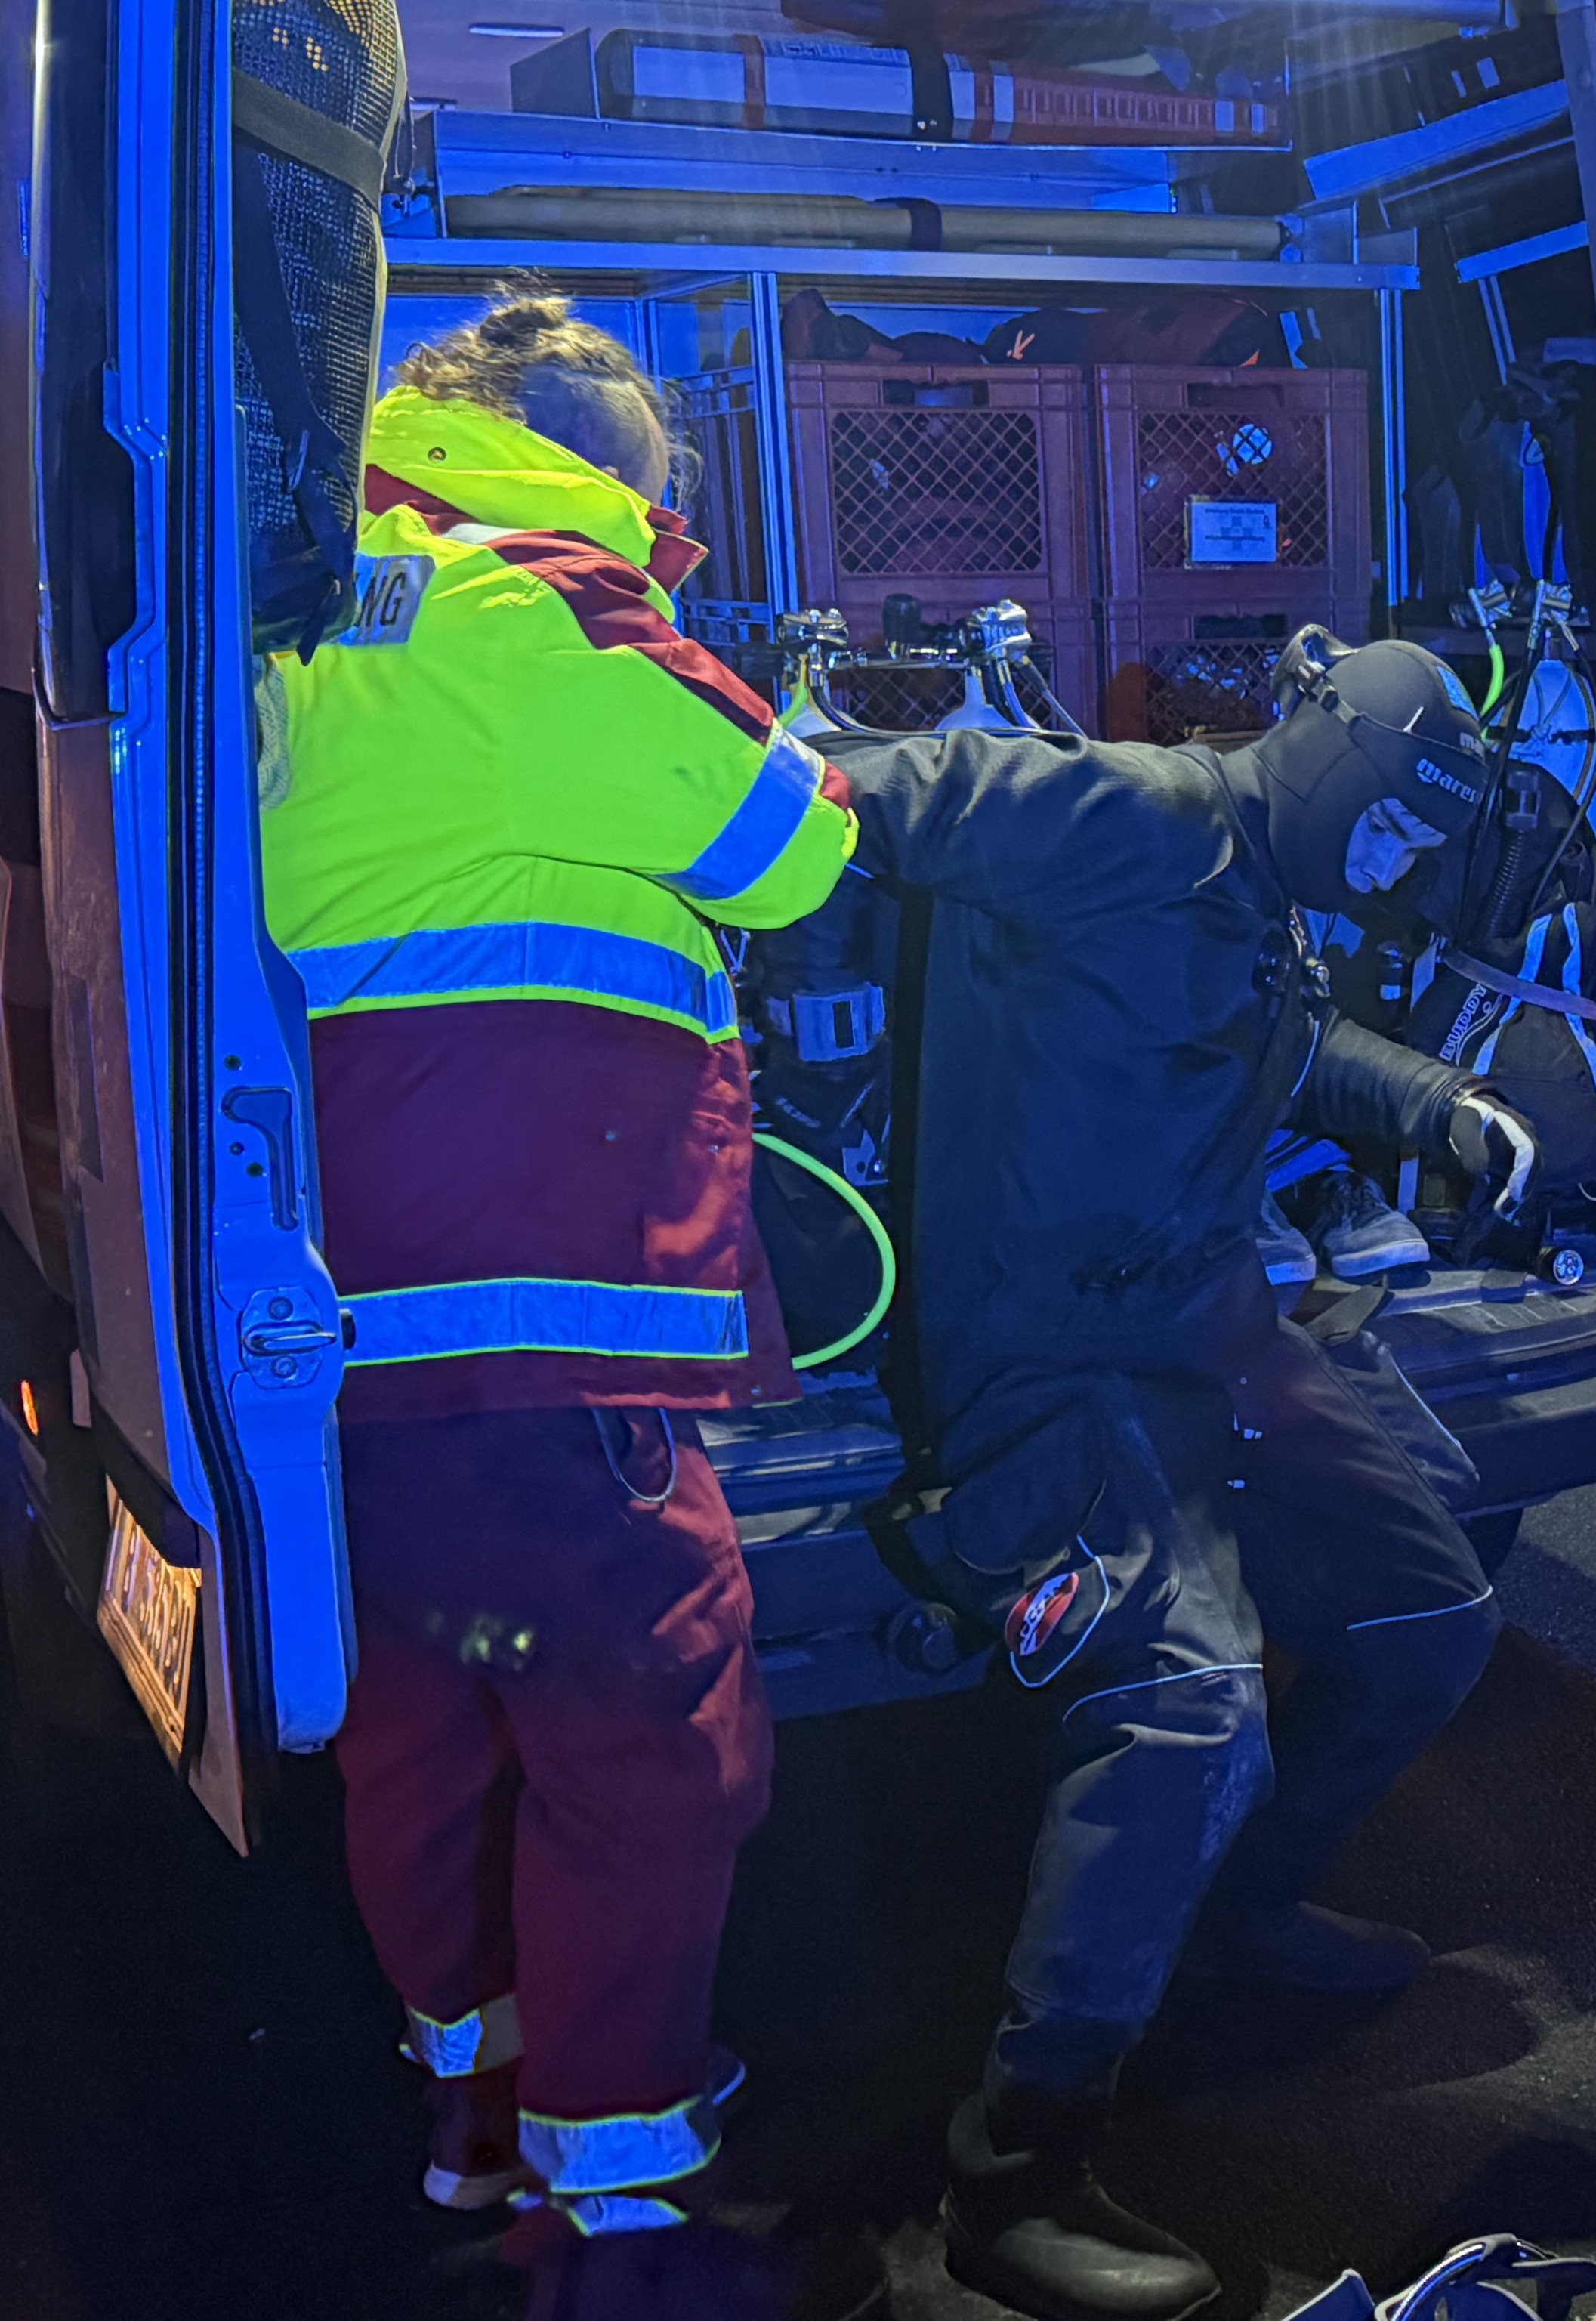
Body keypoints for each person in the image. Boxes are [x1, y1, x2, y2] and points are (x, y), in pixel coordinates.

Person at [263, 297, 875, 2316]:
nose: (661, 521)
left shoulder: (310, 611)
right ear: (590, 463)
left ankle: (475, 2117)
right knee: (653, 1734)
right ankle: (621, 2194)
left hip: (341, 1326)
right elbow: (788, 848)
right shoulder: (540, 605)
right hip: (546, 1319)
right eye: (656, 488)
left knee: (424, 1736)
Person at [831, 630, 1538, 2321]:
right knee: (1189, 1707)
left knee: (1430, 1619)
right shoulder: (1131, 812)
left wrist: (1440, 1105)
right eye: (1389, 822)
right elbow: (860, 792)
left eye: (1420, 844)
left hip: (1207, 1322)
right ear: (1330, 755)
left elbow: (1280, 1043)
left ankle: (1233, 1919)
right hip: (1046, 1352)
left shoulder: (1259, 896)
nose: (1396, 865)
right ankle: (1014, 2171)